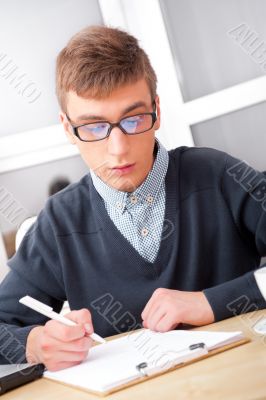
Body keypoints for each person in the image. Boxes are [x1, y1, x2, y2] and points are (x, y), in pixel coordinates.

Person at [0, 25, 265, 372]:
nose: (118, 149)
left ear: (156, 111)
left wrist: (211, 303)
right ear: (68, 129)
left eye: (134, 119)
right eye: (94, 127)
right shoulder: (58, 224)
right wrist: (34, 344)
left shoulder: (218, 176)